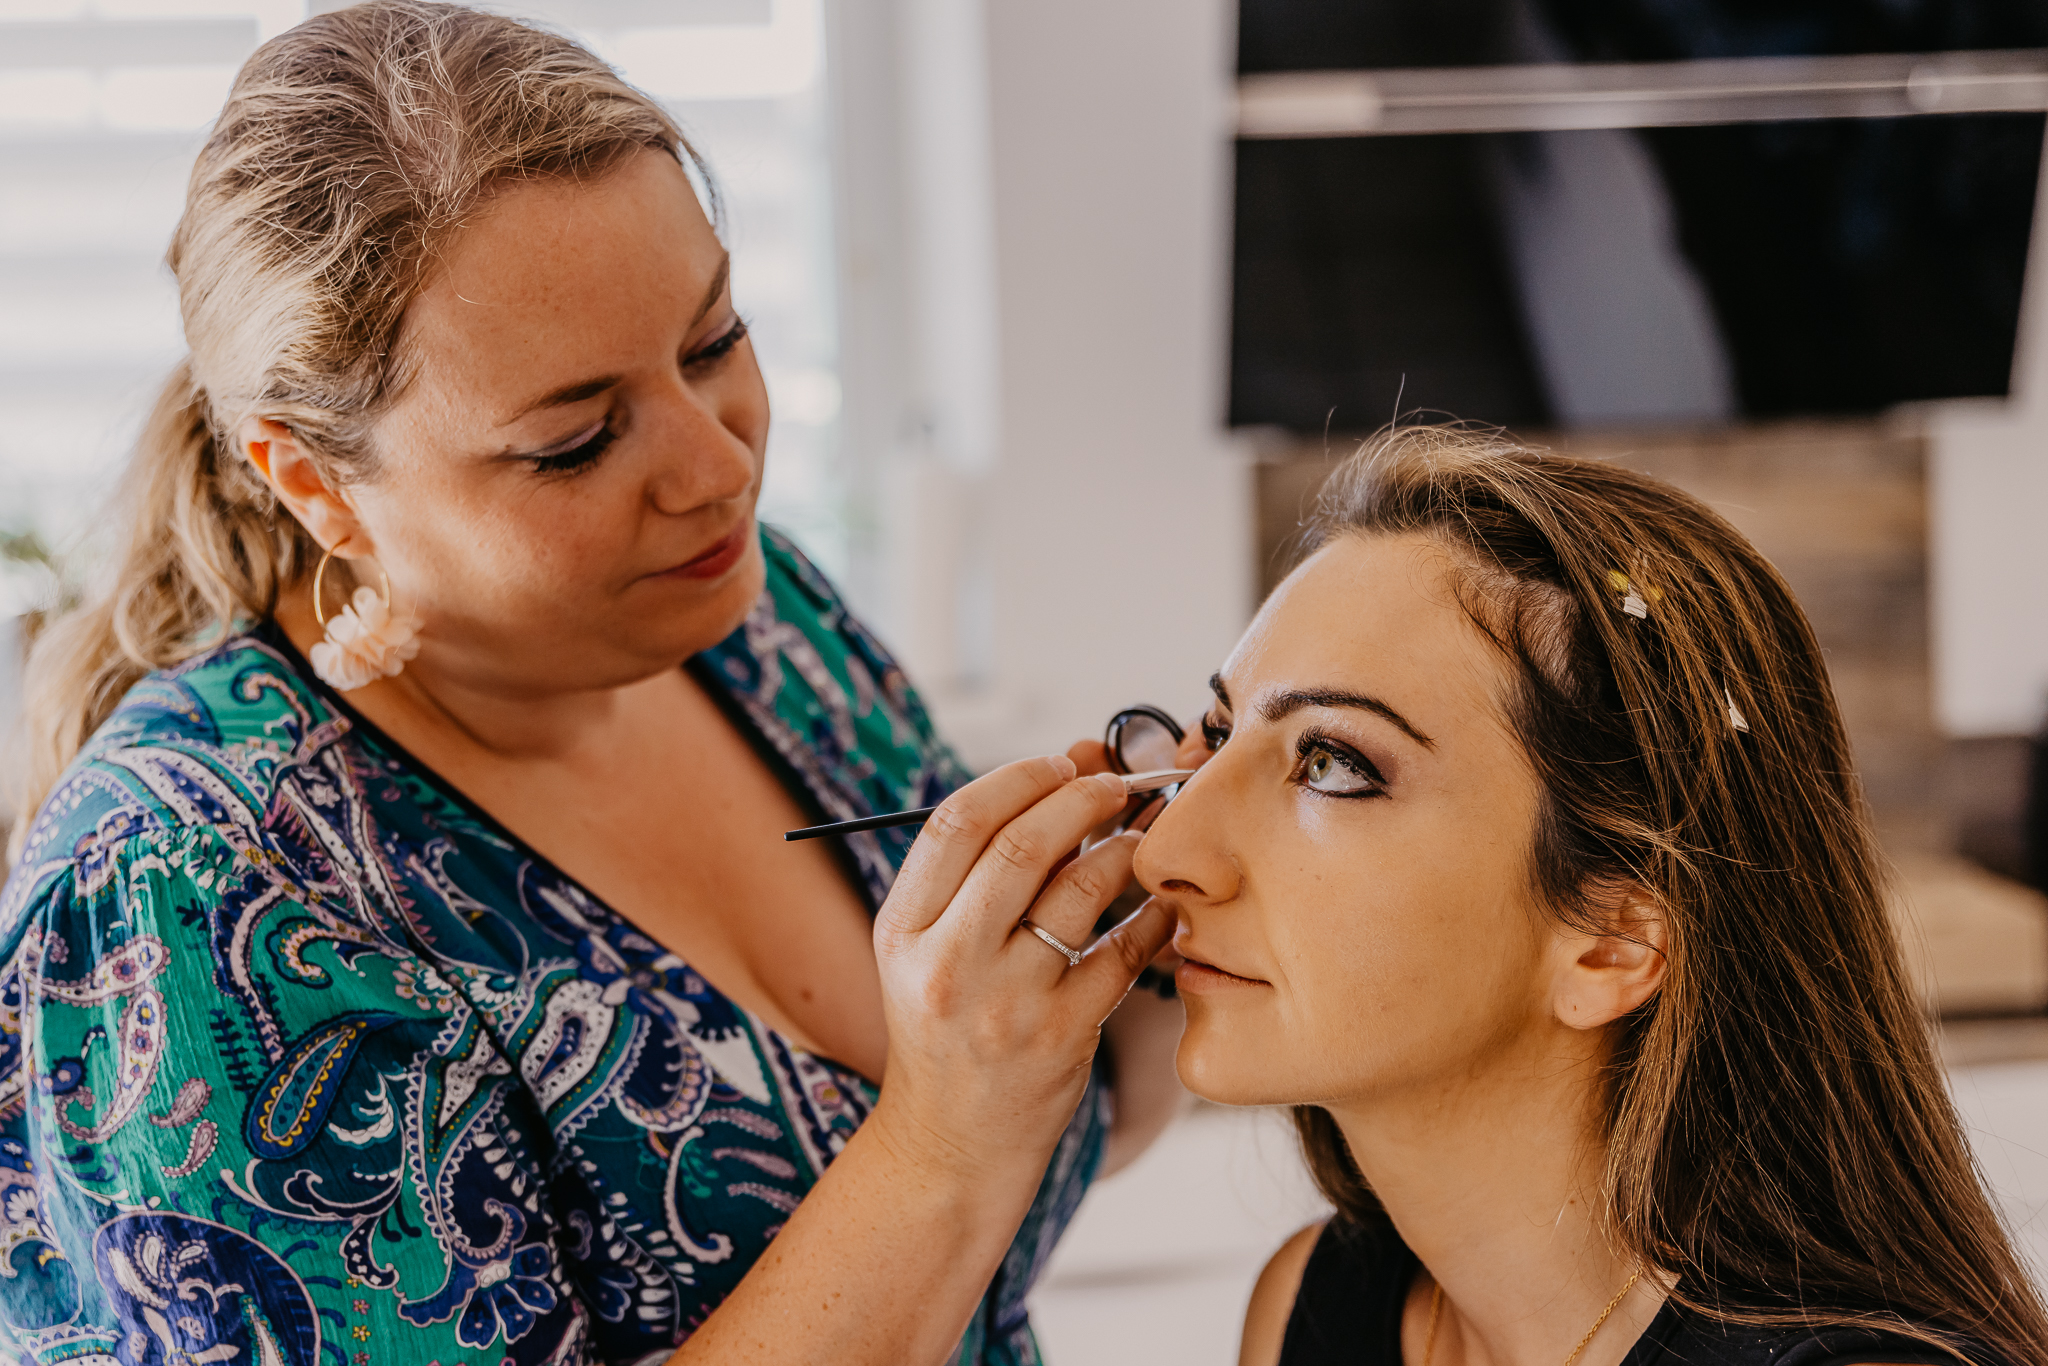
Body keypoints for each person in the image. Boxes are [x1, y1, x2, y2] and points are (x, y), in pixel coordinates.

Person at [0, 4, 1183, 1363]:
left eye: (715, 340)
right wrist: (941, 1138)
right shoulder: (191, 900)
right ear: (315, 483)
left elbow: (1021, 1185)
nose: (719, 468)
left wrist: (1146, 935)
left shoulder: (760, 621)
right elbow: (957, 1151)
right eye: (574, 442)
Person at [1131, 426, 2048, 1366]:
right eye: (1216, 735)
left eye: (1332, 763)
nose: (1165, 851)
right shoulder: (1312, 1308)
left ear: (1613, 941)